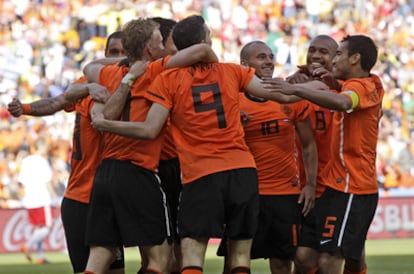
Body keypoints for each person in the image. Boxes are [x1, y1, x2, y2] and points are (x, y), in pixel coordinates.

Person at [90, 15, 322, 274]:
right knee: (240, 257)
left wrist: (106, 124)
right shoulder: (232, 70)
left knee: (191, 253)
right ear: (204, 41)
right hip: (242, 171)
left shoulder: (168, 78)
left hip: (201, 173)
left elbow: (149, 129)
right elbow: (275, 93)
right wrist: (316, 87)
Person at [81, 17, 219, 274]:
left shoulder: (109, 73)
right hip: (139, 171)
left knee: (102, 252)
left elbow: (89, 67)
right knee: (160, 257)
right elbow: (202, 51)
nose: (167, 46)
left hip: (105, 174)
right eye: (160, 41)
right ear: (149, 49)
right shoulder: (158, 69)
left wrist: (125, 67)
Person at [8, 31, 127, 274]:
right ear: (103, 56)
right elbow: (56, 103)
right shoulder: (84, 86)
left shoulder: (132, 88)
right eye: (112, 52)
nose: (117, 58)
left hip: (109, 197)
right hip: (79, 198)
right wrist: (26, 108)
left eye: (123, 52)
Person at [264, 34, 384, 274]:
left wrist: (295, 87)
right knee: (306, 255)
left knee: (333, 259)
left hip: (353, 186)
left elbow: (342, 102)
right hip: (332, 185)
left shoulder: (364, 86)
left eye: (338, 54)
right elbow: (293, 95)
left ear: (355, 59)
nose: (331, 59)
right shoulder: (344, 84)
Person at [217, 40, 317, 274]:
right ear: (244, 64)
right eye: (261, 57)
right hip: (246, 193)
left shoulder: (289, 97)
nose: (269, 61)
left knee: (282, 263)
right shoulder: (232, 100)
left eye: (271, 56)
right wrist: (234, 126)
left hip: (285, 194)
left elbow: (309, 145)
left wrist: (310, 184)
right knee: (234, 261)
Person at [18, 137, 57, 264]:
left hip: (30, 199)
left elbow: (22, 182)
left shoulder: (26, 160)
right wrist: (55, 198)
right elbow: (48, 182)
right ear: (41, 147)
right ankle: (27, 245)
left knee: (38, 228)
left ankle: (40, 256)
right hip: (42, 198)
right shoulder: (42, 161)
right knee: (48, 227)